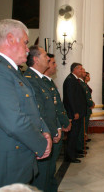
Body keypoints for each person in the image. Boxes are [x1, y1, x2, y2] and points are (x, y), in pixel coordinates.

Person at [0, 19, 51, 191]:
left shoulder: (9, 70)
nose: (28, 49)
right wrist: (41, 143)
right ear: (11, 39)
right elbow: (13, 120)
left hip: (17, 157)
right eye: (26, 42)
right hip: (4, 163)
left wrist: (45, 131)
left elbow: (32, 108)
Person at [24, 46, 61, 191]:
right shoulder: (30, 79)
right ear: (36, 59)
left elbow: (52, 107)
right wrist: (51, 131)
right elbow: (39, 111)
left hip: (49, 131)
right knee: (41, 177)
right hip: (42, 135)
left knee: (48, 172)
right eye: (45, 55)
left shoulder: (40, 79)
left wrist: (57, 127)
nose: (48, 58)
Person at [43, 53, 72, 192]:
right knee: (46, 171)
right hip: (49, 131)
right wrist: (57, 128)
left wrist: (64, 122)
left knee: (51, 168)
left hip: (56, 128)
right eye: (53, 63)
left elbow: (57, 105)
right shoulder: (38, 81)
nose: (55, 66)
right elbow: (45, 110)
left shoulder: (48, 81)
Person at [63, 63, 87, 163]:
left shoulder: (74, 79)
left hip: (78, 112)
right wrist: (74, 112)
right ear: (75, 69)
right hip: (74, 113)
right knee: (72, 135)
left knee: (75, 134)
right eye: (80, 69)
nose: (82, 71)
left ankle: (74, 153)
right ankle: (69, 156)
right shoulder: (70, 80)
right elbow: (70, 98)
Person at [76, 70, 94, 154]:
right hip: (85, 108)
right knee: (82, 129)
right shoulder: (81, 84)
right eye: (85, 74)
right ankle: (80, 146)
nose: (86, 75)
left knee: (84, 128)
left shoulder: (83, 84)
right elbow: (86, 97)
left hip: (87, 109)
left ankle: (82, 144)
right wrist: (90, 103)